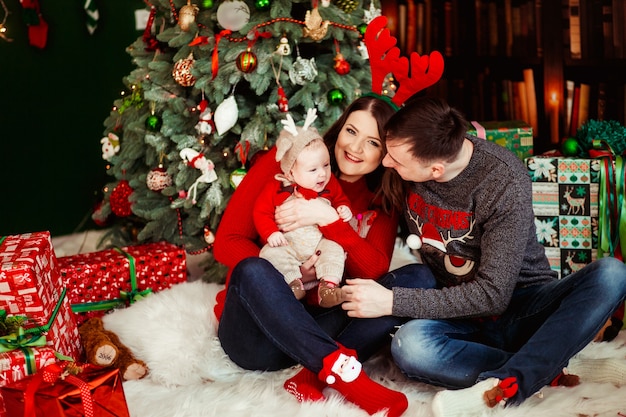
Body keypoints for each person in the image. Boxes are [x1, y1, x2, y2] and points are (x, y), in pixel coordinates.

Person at [339, 95, 626, 417]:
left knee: (612, 273)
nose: (386, 163)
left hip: (522, 305)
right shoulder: (412, 150)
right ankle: (551, 366)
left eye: (395, 160)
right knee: (410, 346)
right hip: (454, 312)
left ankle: (505, 385)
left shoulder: (502, 181)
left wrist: (391, 301)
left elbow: (493, 295)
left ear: (435, 170)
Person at [213, 96, 428, 417]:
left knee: (418, 278)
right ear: (339, 129)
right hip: (258, 336)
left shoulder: (381, 197)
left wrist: (329, 220)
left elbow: (373, 269)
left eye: (372, 142)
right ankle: (345, 375)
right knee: (253, 269)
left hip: (320, 321)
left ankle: (311, 375)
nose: (355, 148)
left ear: (385, 155)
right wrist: (285, 270)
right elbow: (226, 242)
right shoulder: (288, 159)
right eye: (351, 131)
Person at [254, 109, 352, 308]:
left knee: (335, 249)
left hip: (318, 244)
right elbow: (261, 212)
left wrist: (343, 208)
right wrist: (271, 232)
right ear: (290, 172)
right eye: (313, 170)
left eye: (326, 165)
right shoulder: (276, 187)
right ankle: (293, 283)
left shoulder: (330, 184)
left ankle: (329, 287)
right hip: (288, 244)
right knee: (268, 254)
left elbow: (341, 199)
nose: (322, 174)